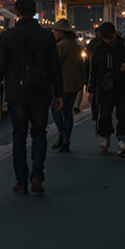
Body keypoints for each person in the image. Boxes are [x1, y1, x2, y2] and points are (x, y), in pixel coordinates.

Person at [0, 0, 63, 195]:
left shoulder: (8, 36)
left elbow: (0, 65)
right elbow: (55, 66)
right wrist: (59, 93)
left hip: (17, 93)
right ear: (35, 10)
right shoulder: (46, 36)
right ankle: (37, 175)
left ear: (17, 12)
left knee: (19, 136)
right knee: (39, 134)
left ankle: (21, 181)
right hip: (40, 92)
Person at [85, 21, 125, 156]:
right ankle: (105, 137)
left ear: (115, 33)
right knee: (104, 114)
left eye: (110, 38)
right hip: (105, 88)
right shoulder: (98, 48)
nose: (108, 41)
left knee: (124, 114)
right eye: (105, 39)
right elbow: (93, 70)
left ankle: (122, 140)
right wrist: (91, 90)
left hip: (124, 87)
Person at [50, 19, 86, 153]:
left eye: (56, 30)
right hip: (74, 83)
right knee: (68, 112)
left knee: (56, 109)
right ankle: (65, 139)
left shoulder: (60, 46)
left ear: (60, 32)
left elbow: (55, 65)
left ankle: (63, 135)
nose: (55, 32)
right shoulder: (75, 45)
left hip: (62, 84)